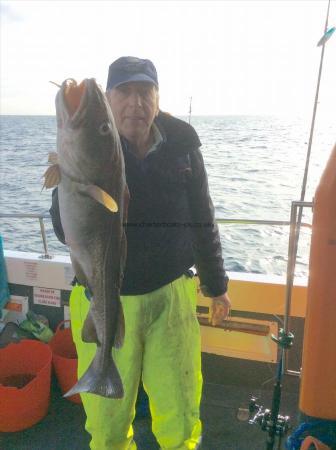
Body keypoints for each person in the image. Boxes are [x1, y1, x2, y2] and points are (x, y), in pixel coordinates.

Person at [50, 56, 231, 450]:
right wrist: (64, 179)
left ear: (157, 97)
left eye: (144, 92)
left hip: (172, 296)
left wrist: (216, 285)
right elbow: (65, 231)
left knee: (180, 412)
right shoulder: (91, 148)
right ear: (111, 100)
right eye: (125, 92)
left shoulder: (182, 146)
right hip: (102, 296)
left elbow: (203, 217)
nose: (136, 102)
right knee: (106, 423)